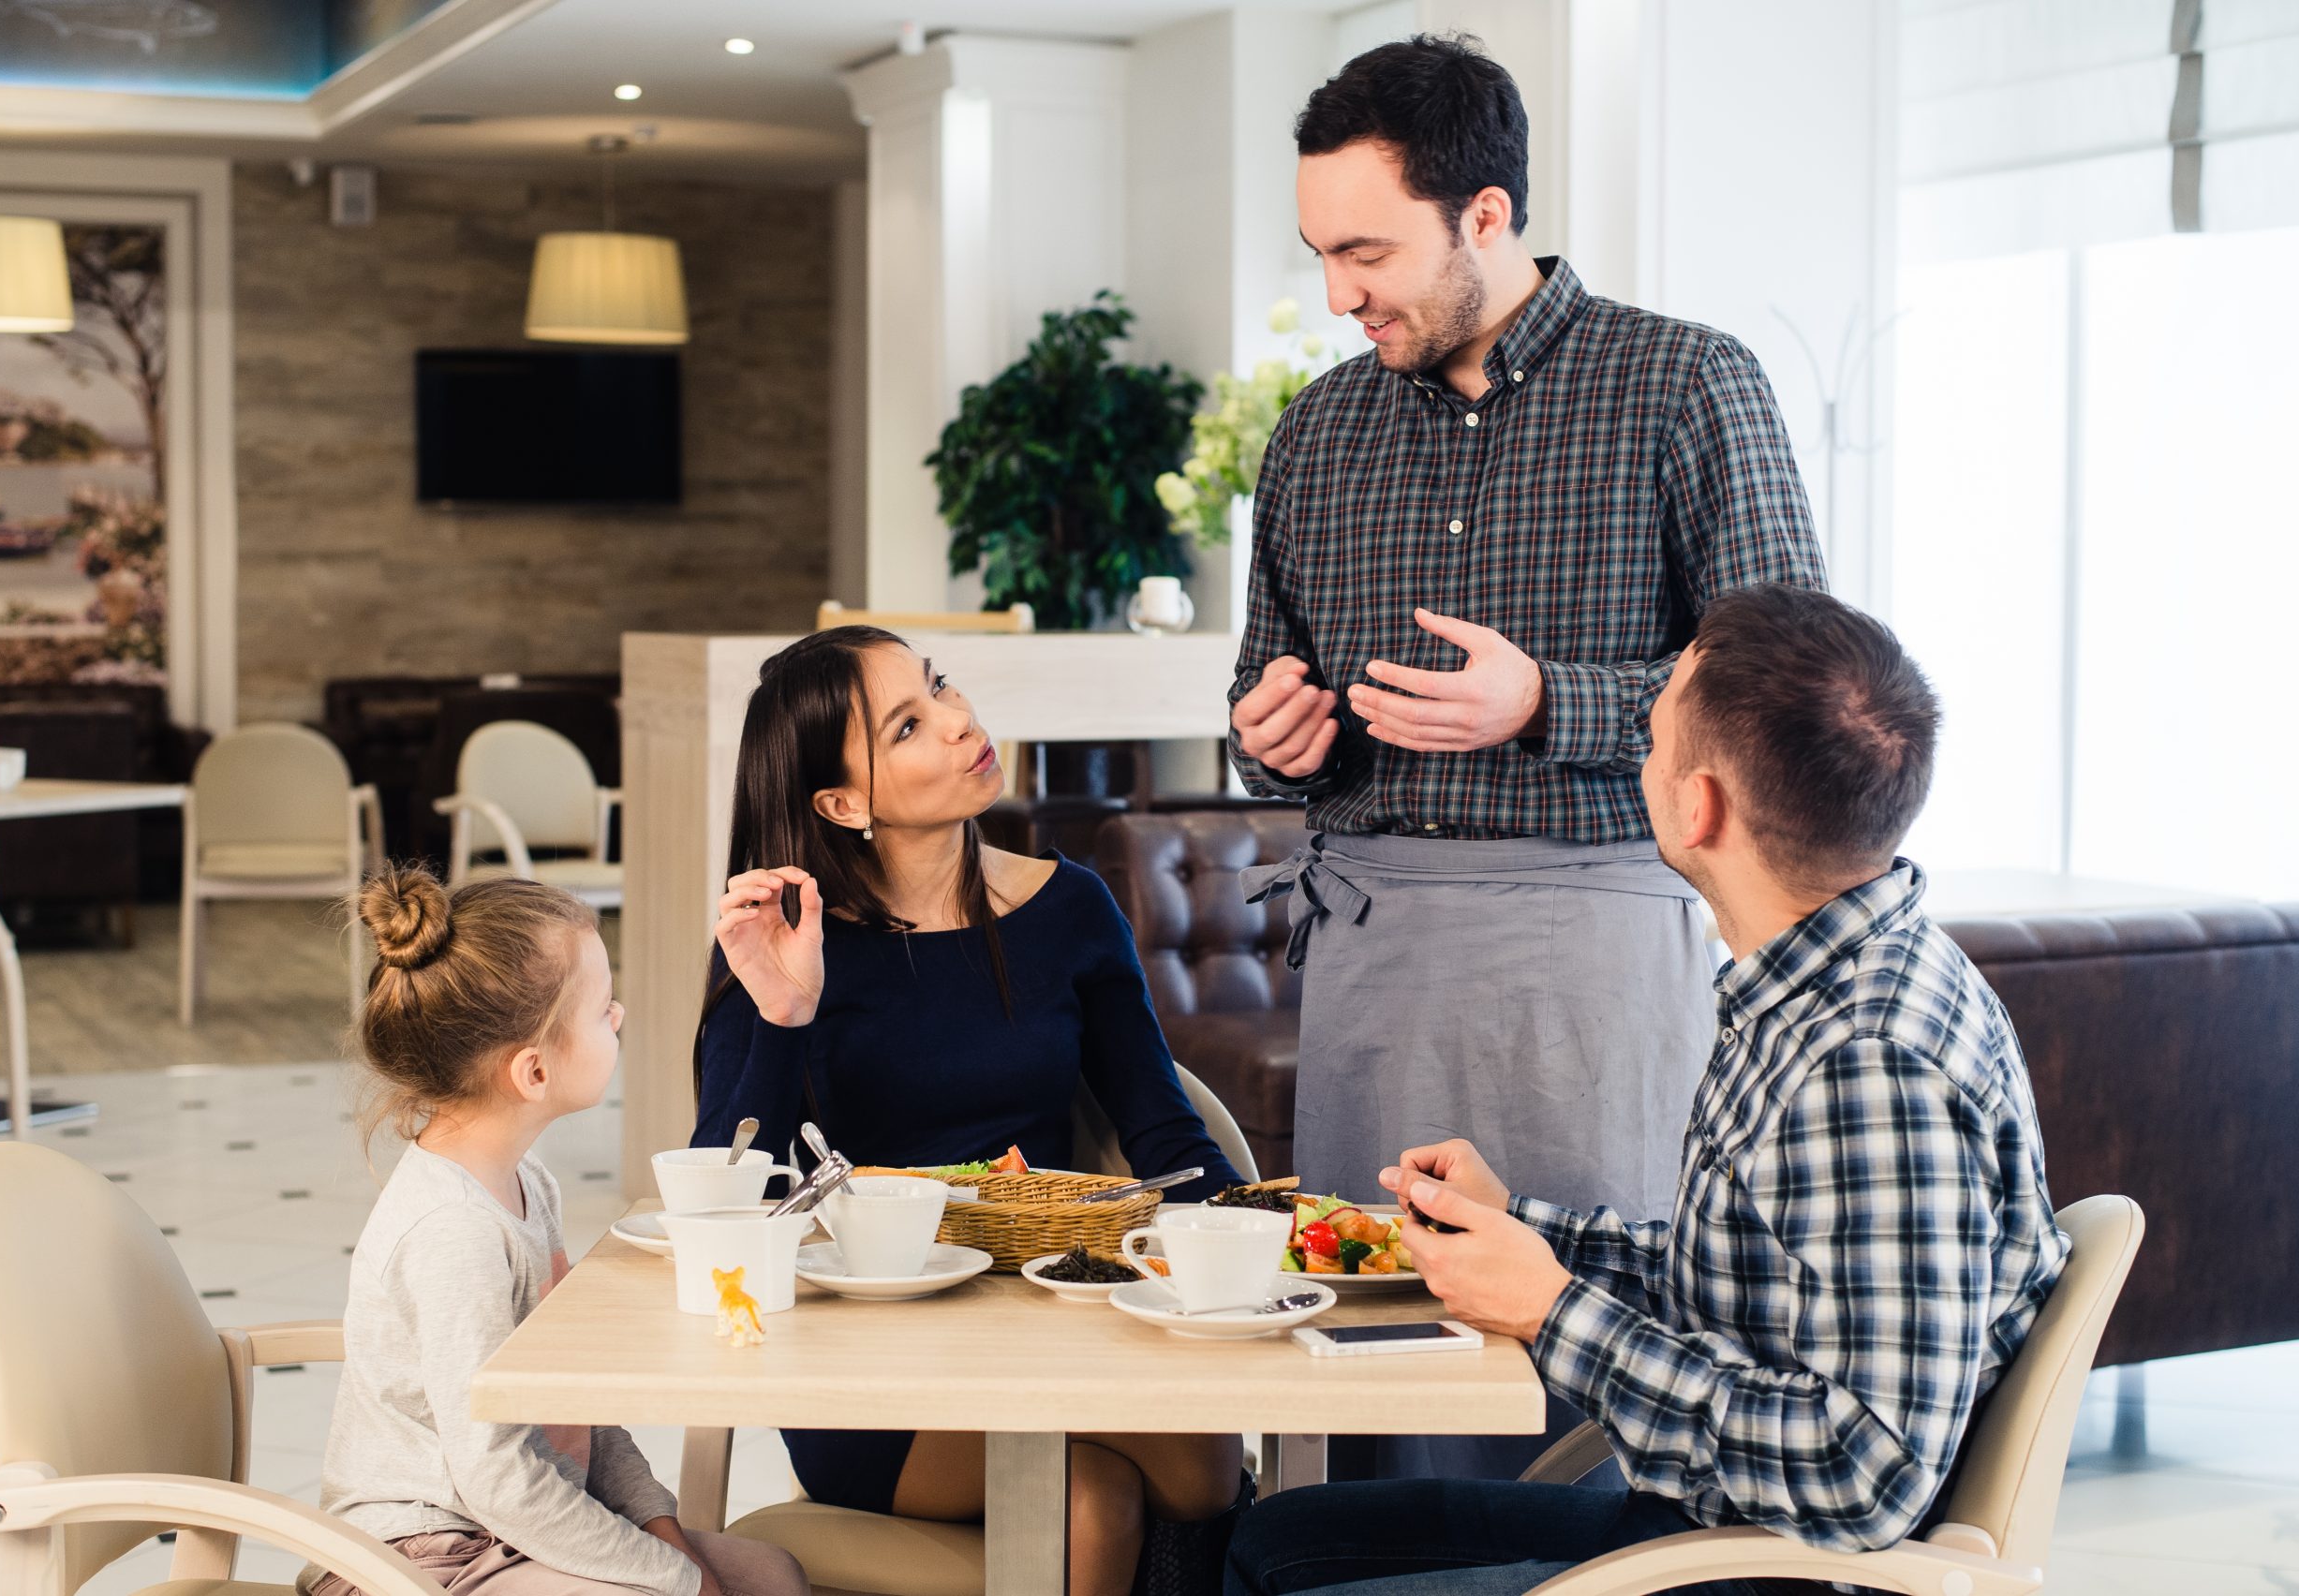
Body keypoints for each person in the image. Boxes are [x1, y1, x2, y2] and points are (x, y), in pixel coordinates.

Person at [1228, 33, 1827, 1481]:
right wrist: (1269, 738)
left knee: (1591, 1367)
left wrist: (1549, 702)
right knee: (1374, 1351)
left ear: (1486, 215)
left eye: (1366, 250)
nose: (1338, 294)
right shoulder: (1313, 433)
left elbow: (1789, 692)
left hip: (1597, 951)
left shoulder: (1689, 385)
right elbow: (1260, 691)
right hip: (1370, 955)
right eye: (1319, 253)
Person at [1224, 584, 2072, 1596]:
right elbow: (1754, 1285)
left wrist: (1552, 1312)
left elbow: (1863, 1475)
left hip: (1772, 1572)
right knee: (1276, 1542)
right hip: (1714, 1525)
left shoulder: (1868, 1061)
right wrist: (1528, 1235)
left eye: (1653, 742)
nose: (1640, 764)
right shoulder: (1816, 980)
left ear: (1696, 804)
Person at [692, 625, 1246, 1596]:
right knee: (1162, 1478)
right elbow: (722, 1214)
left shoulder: (1069, 907)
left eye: (940, 689)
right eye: (909, 724)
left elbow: (1163, 1134)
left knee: (1153, 1481)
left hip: (1047, 1315)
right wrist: (782, 1017)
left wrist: (1278, 1244)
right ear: (841, 800)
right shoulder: (785, 943)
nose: (958, 722)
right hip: (870, 1364)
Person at [309, 867, 807, 1596]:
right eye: (601, 1008)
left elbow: (579, 1412)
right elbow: (495, 1473)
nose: (619, 1015)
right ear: (534, 1072)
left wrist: (665, 1535)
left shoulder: (526, 1183)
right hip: (412, 1560)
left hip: (511, 1526)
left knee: (769, 1573)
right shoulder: (456, 1232)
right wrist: (676, 1579)